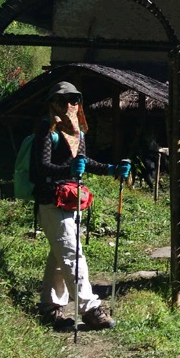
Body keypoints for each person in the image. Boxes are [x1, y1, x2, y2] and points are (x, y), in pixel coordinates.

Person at [31, 81, 130, 330]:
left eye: (74, 100)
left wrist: (111, 169)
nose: (69, 105)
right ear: (52, 102)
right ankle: (89, 308)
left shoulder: (78, 133)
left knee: (59, 257)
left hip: (71, 201)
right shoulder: (47, 128)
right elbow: (39, 167)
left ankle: (49, 309)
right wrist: (67, 169)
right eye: (62, 100)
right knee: (72, 255)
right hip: (51, 200)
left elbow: (84, 162)